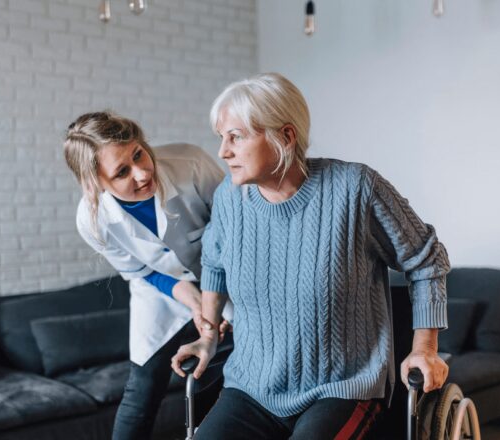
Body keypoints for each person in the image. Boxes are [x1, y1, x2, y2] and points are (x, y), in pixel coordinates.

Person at [171, 73, 451, 440]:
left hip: (342, 387)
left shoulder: (355, 189)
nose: (223, 152)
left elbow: (427, 259)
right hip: (252, 388)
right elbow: (214, 263)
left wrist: (425, 349)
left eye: (236, 137)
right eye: (222, 138)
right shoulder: (229, 198)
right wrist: (207, 337)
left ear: (285, 136)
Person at [63, 111, 231, 440]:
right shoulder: (92, 220)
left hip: (228, 277)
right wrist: (196, 303)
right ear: (96, 183)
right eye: (122, 172)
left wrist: (214, 306)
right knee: (143, 384)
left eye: (138, 154)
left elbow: (235, 233)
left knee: (218, 372)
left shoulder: (190, 163)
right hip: (161, 289)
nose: (142, 173)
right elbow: (141, 271)